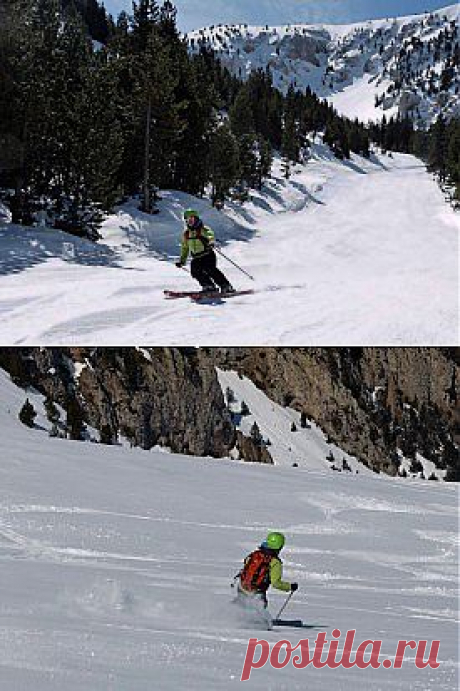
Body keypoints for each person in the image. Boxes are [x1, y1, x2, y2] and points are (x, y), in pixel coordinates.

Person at [176, 209, 234, 293]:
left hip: (208, 255)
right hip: (196, 257)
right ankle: (208, 286)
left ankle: (226, 286)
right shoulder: (186, 233)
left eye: (191, 219)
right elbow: (185, 248)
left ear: (196, 219)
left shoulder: (203, 229)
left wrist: (211, 242)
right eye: (188, 220)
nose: (190, 222)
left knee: (210, 270)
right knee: (195, 272)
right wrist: (182, 261)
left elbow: (210, 235)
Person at [237, 531, 298, 608]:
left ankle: (229, 615)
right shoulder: (275, 562)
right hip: (257, 592)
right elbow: (276, 583)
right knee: (257, 614)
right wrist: (290, 587)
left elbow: (246, 563)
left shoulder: (255, 554)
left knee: (240, 607)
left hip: (242, 587)